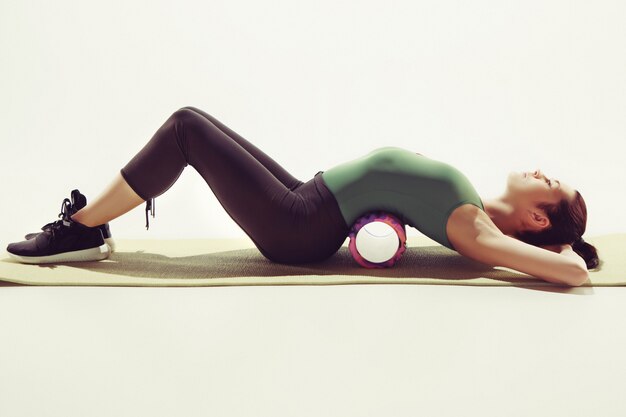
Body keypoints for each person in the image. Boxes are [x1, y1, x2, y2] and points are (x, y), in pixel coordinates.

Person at [5, 106, 600, 286]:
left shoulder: (481, 232)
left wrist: (569, 254)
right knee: (195, 123)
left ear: (534, 217)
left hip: (300, 226)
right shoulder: (474, 211)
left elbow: (570, 274)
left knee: (186, 128)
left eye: (550, 187)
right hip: (308, 197)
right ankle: (90, 226)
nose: (543, 172)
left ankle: (81, 230)